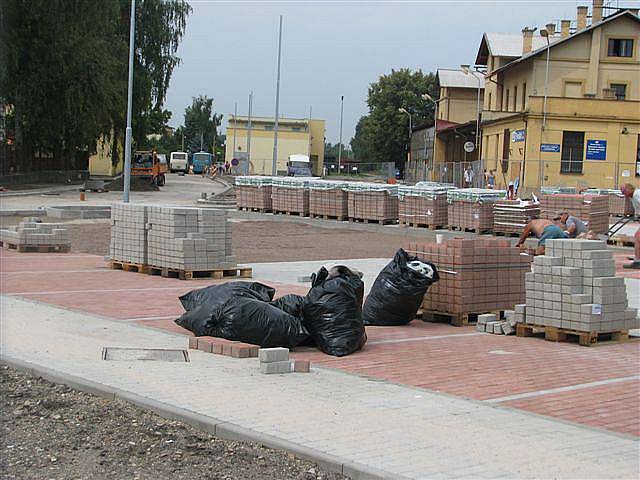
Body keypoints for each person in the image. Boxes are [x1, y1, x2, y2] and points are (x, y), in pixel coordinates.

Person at [621, 183, 640, 269]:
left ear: (629, 189)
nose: (623, 193)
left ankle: (637, 261)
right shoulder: (632, 197)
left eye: (624, 191)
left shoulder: (637, 194)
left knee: (638, 237)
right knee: (638, 237)